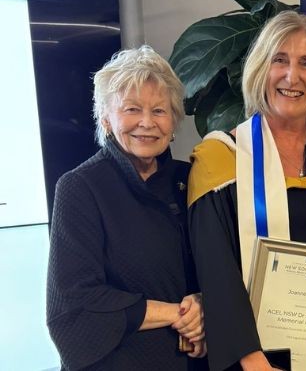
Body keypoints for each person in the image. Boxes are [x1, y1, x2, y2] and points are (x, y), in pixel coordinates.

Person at [187, 11, 306, 371]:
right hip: (252, 361)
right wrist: (254, 362)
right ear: (260, 70)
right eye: (279, 60)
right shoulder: (220, 159)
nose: (292, 76)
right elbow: (217, 275)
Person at [47, 45, 207, 370]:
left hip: (191, 360)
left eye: (160, 111)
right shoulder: (80, 187)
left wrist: (205, 306)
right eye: (132, 109)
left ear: (173, 122)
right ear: (106, 118)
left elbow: (219, 270)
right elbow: (75, 302)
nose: (147, 123)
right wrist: (178, 313)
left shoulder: (191, 179)